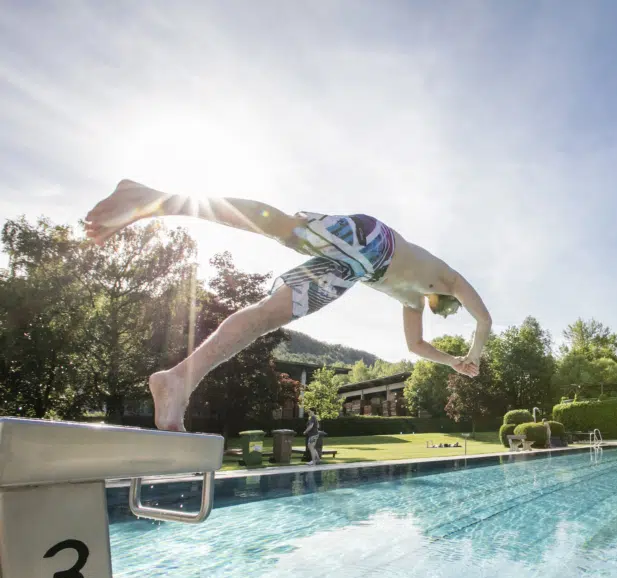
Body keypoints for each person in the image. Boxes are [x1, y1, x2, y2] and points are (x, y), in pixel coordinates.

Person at [84, 180, 492, 432]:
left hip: (352, 270)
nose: (445, 310)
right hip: (371, 240)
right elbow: (484, 319)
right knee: (283, 228)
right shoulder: (449, 278)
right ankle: (154, 199)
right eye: (450, 308)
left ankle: (178, 379)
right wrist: (474, 354)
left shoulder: (412, 300)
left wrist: (452, 362)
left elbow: (416, 347)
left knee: (269, 315)